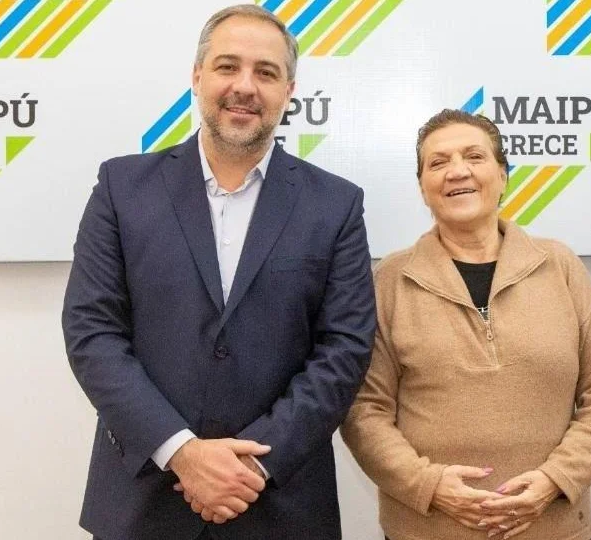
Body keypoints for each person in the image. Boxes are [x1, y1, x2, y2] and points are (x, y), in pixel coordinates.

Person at [62, 5, 375, 539]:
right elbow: (92, 332)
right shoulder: (121, 188)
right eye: (227, 66)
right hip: (145, 502)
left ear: (289, 91)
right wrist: (181, 452)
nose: (244, 87)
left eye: (266, 72)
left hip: (281, 507)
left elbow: (344, 348)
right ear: (197, 76)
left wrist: (249, 467)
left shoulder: (336, 204)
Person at [340, 109, 591, 540]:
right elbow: (363, 409)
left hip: (550, 527)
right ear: (422, 188)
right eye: (438, 162)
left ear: (503, 175)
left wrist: (555, 479)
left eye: (474, 157)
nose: (457, 171)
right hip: (427, 531)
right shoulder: (390, 281)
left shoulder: (559, 266)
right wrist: (429, 485)